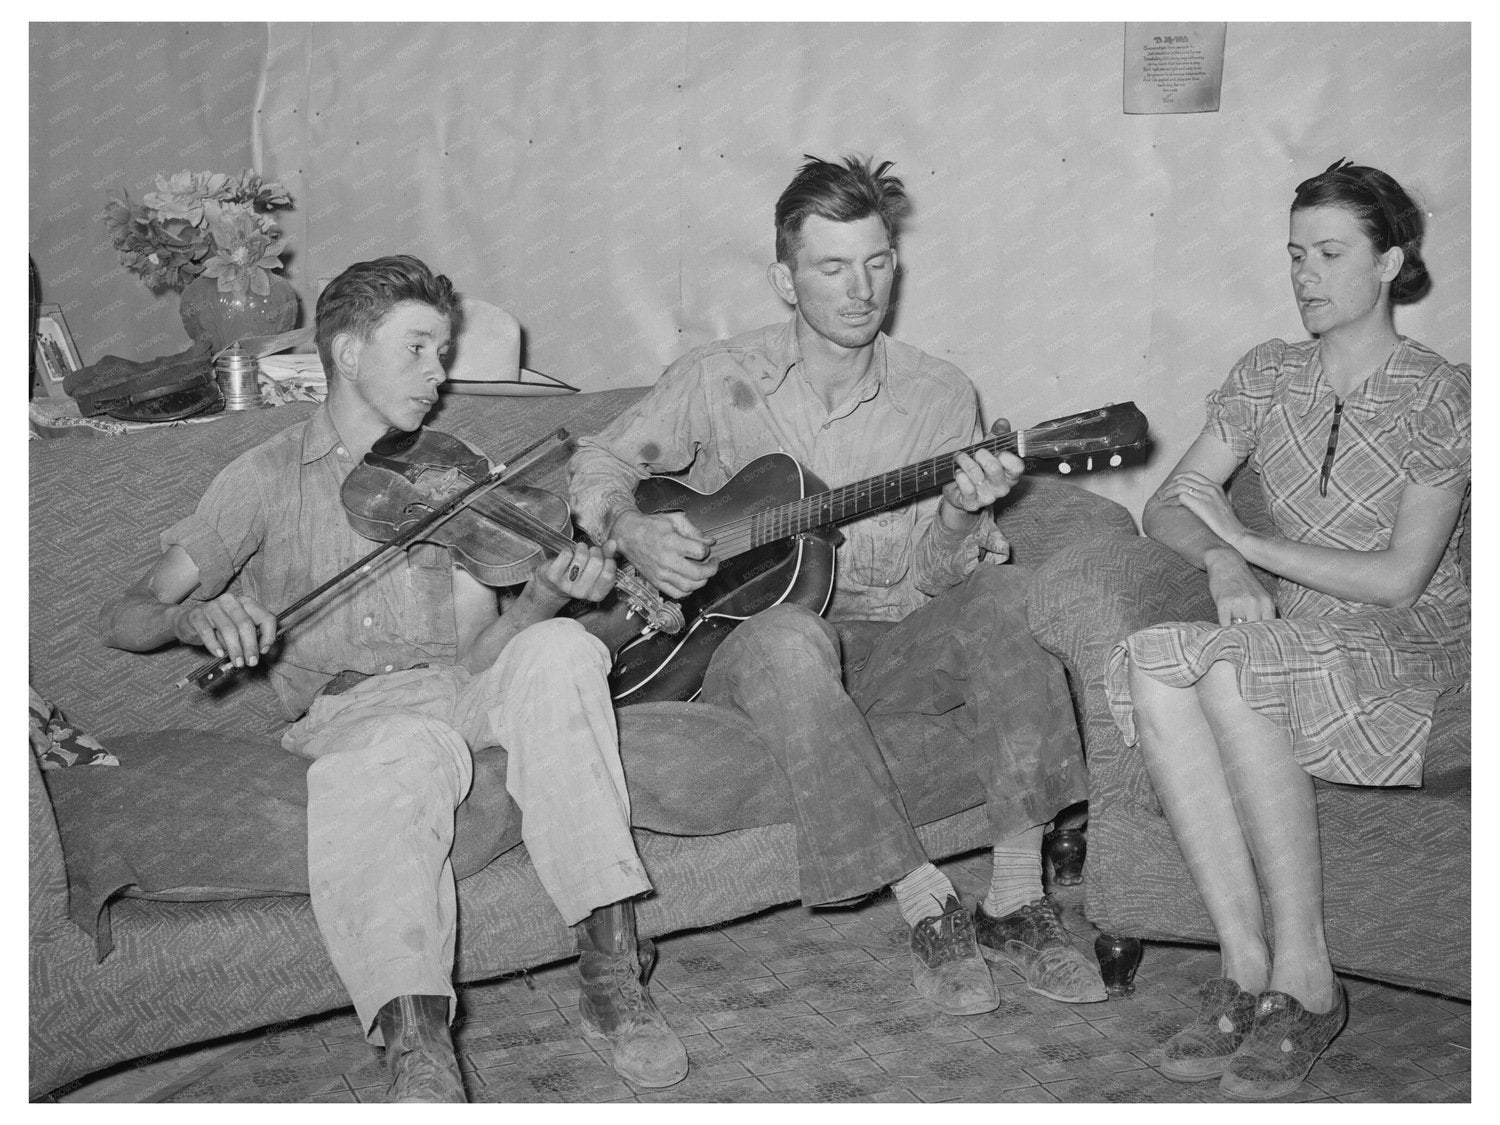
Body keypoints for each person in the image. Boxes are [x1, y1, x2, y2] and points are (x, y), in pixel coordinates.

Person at [99, 255, 690, 1102]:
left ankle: (613, 971)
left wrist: (541, 604)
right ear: (345, 351)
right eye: (416, 349)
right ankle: (418, 1047)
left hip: (465, 689)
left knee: (561, 651)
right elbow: (123, 616)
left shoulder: (456, 468)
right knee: (405, 745)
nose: (438, 373)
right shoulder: (267, 478)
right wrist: (194, 617)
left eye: (443, 351)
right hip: (355, 714)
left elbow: (491, 659)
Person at [569, 155, 1103, 1019]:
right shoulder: (717, 376)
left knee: (1010, 594)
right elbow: (596, 460)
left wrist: (964, 519)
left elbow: (934, 578)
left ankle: (1015, 896)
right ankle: (927, 901)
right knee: (786, 634)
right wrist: (631, 526)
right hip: (753, 648)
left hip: (889, 638)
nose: (862, 290)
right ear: (785, 279)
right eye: (832, 267)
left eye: (878, 263)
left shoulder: (939, 393)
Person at [1106, 162, 1469, 1099]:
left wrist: (1249, 537)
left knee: (1233, 668)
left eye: (1332, 252)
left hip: (1408, 644)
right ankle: (1244, 965)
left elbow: (1400, 576)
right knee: (1154, 656)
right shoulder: (1268, 374)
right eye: (1296, 254)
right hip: (1293, 634)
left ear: (1390, 261)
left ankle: (1307, 982)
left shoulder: (1441, 396)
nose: (1306, 274)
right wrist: (1224, 561)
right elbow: (1173, 503)